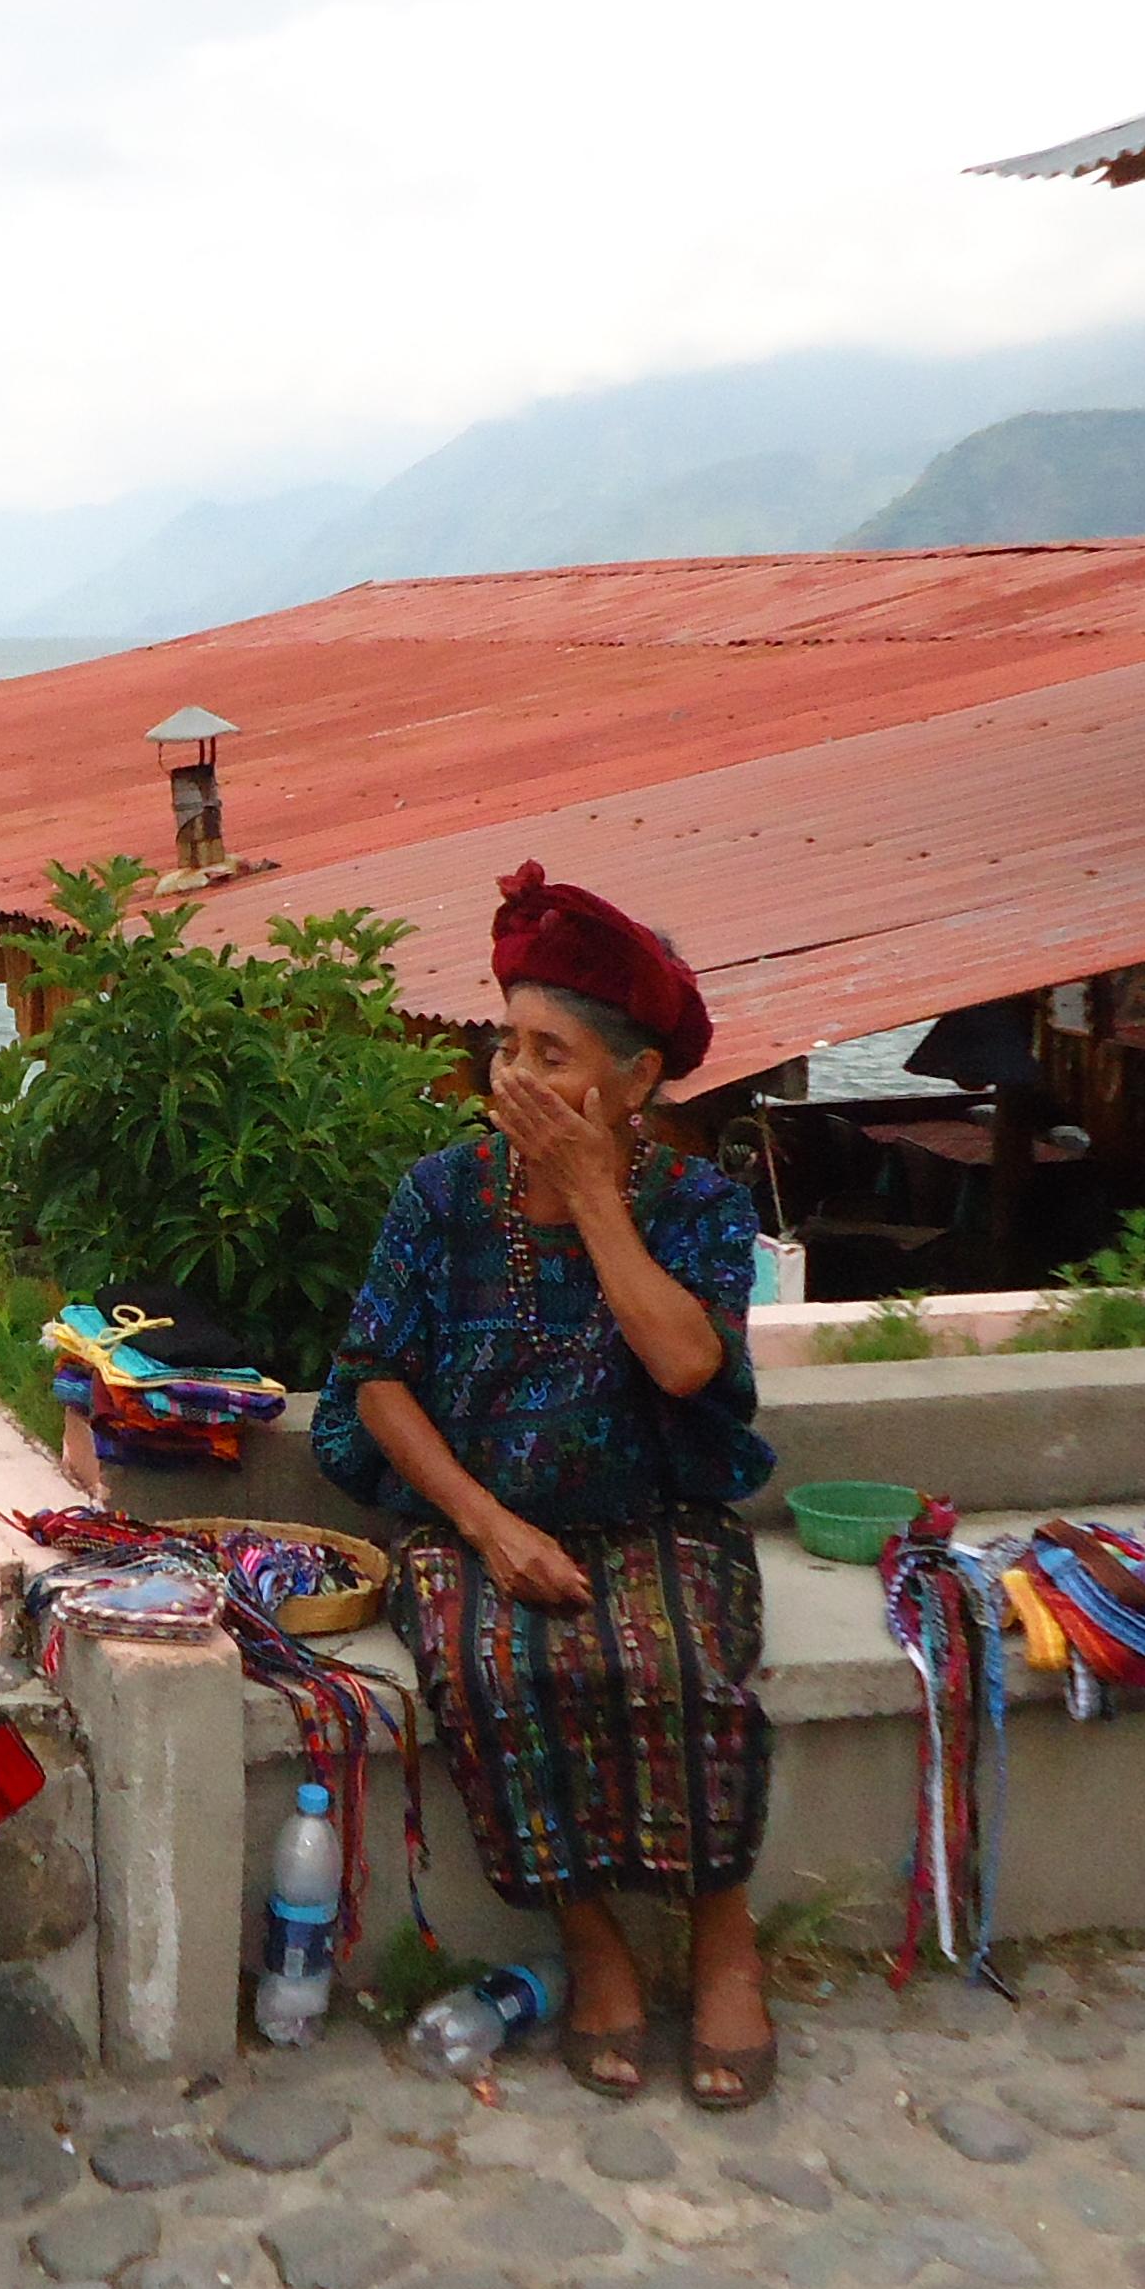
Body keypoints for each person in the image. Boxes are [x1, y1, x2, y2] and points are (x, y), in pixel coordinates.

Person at [313, 866, 782, 2109]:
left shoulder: (695, 1207)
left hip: (655, 1514)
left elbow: (689, 1363)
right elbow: (371, 1378)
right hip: (472, 1518)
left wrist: (591, 1194)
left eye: (552, 1052)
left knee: (679, 1659)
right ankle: (592, 1944)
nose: (514, 1077)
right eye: (505, 1044)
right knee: (492, 1662)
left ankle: (724, 1938)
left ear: (632, 1082)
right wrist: (486, 1522)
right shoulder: (440, 1195)